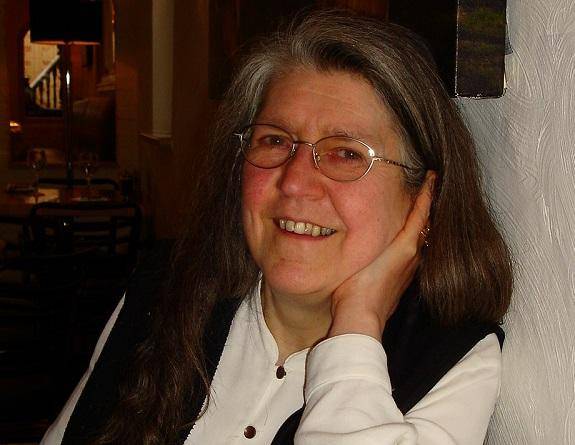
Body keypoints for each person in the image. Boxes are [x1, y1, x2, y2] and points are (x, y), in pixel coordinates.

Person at [41, 10, 512, 445]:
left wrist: (357, 325)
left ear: (422, 199)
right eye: (275, 140)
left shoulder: (452, 360)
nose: (295, 182)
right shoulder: (163, 289)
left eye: (346, 153)